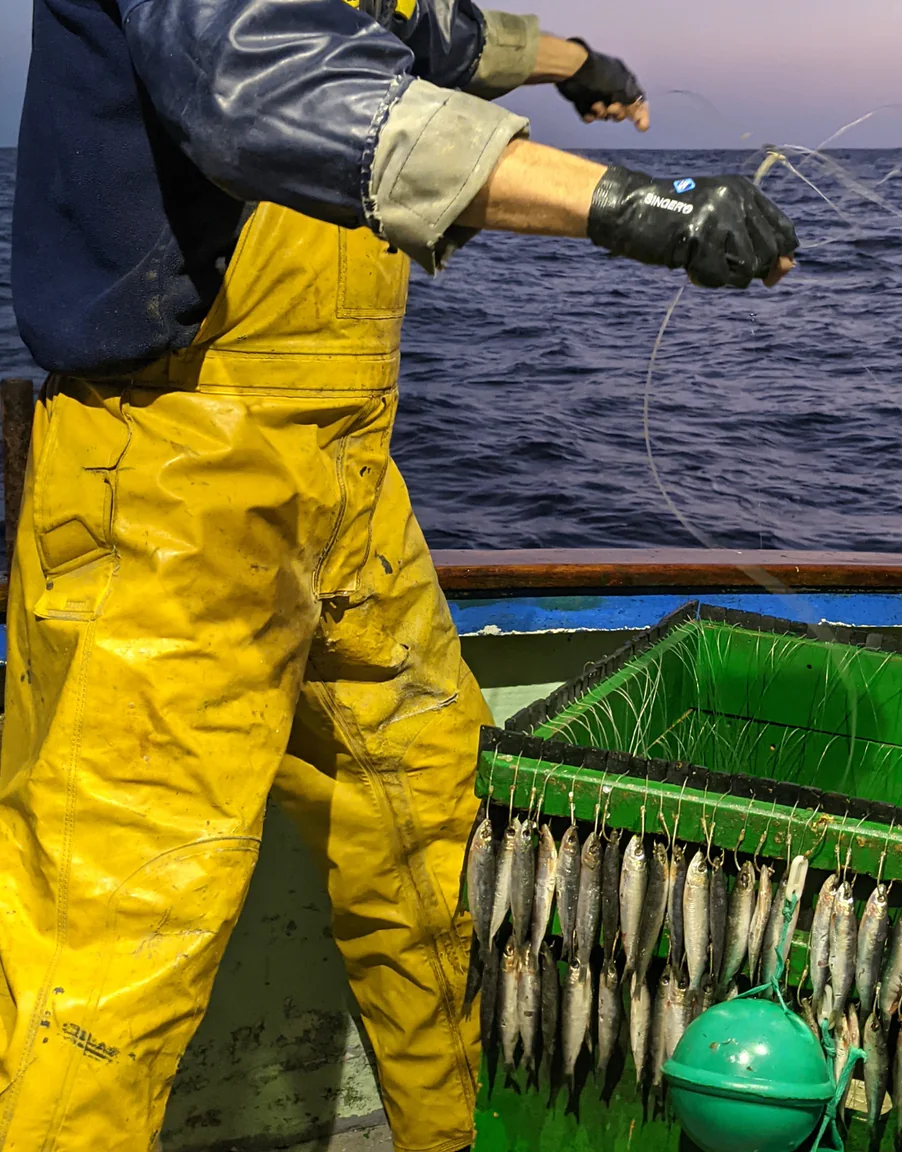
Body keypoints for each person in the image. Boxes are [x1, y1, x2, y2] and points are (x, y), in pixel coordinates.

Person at [1, 0, 797, 1145]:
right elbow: (267, 89)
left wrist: (578, 66)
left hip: (352, 483)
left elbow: (435, 34)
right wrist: (631, 205)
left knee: (442, 855)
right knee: (112, 938)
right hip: (169, 483)